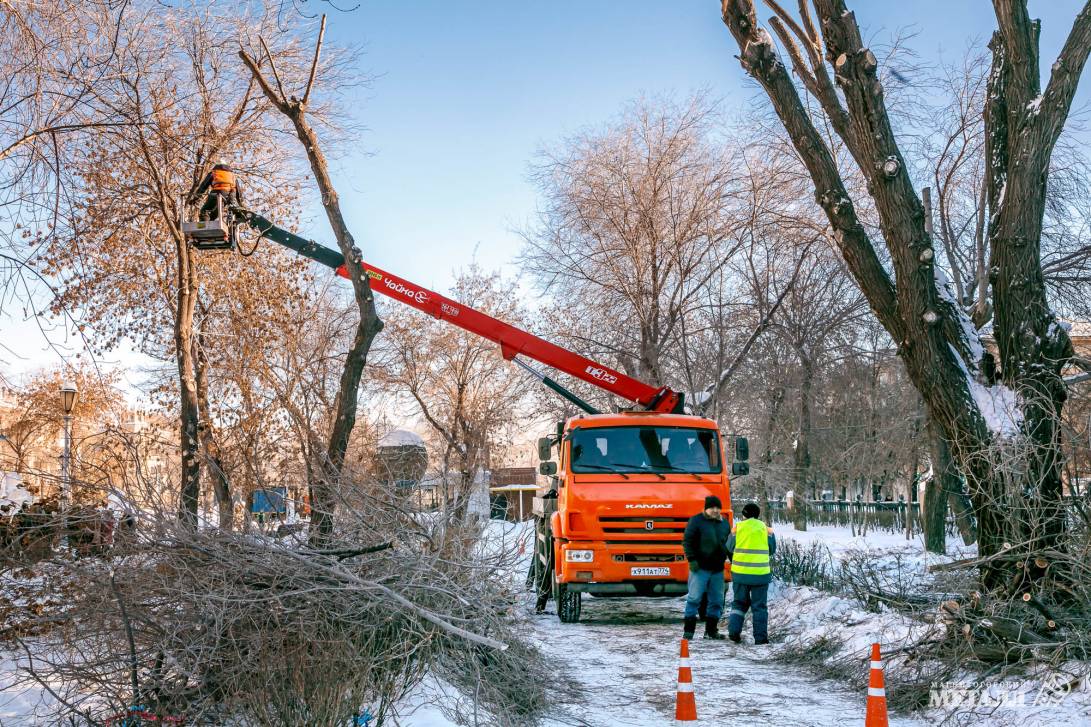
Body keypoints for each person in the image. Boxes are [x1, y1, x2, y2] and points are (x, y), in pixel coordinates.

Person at [682, 495, 731, 640]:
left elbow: (728, 543)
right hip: (700, 568)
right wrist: (692, 559)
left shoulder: (724, 523)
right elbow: (687, 541)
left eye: (718, 508)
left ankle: (711, 631)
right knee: (694, 598)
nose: (715, 510)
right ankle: (689, 631)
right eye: (712, 508)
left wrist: (732, 558)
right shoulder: (696, 521)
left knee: (716, 601)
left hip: (717, 568)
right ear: (706, 508)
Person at [726, 502, 776, 644]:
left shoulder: (737, 528)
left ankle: (734, 632)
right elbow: (772, 550)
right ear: (758, 514)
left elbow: (729, 547)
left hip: (740, 574)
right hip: (760, 575)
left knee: (739, 603)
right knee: (759, 607)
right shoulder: (767, 530)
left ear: (744, 514)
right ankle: (760, 639)